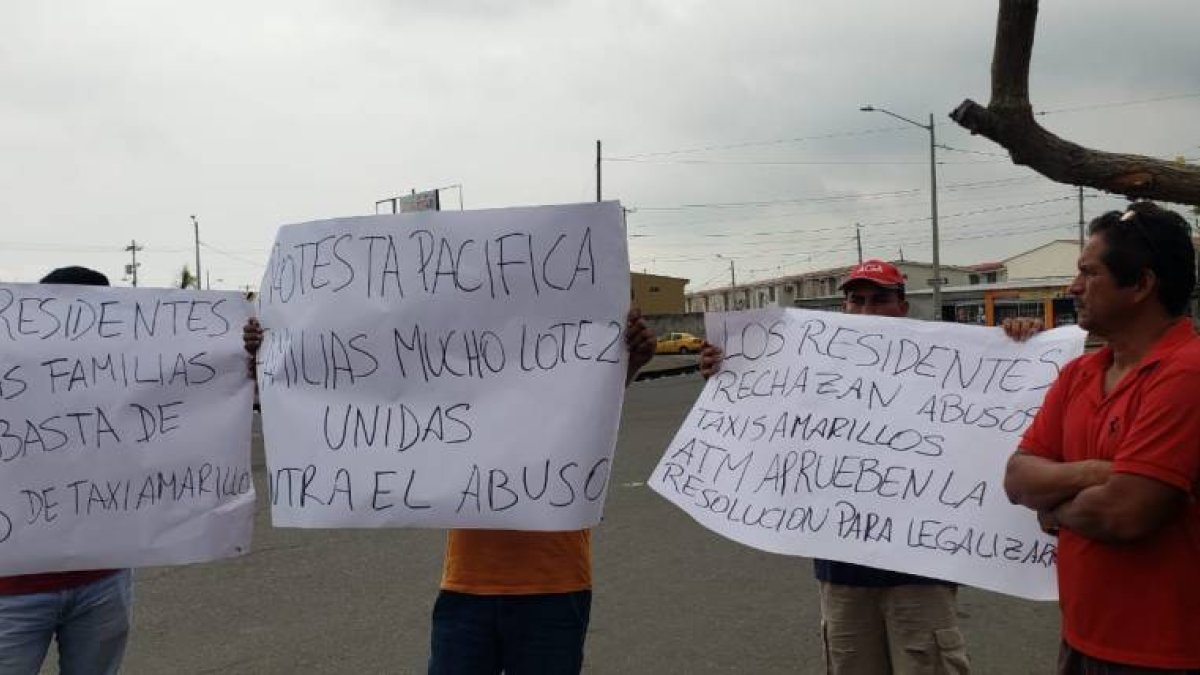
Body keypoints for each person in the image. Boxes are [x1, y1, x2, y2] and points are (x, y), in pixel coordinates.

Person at [700, 260, 1040, 675]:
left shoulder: (942, 362)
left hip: (921, 569)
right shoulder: (816, 363)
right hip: (842, 570)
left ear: (902, 306)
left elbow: (1000, 406)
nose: (866, 311)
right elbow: (768, 416)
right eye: (856, 301)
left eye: (879, 299)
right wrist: (729, 369)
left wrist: (1026, 344)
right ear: (844, 308)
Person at [1003, 202, 1199, 674]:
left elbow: (1124, 513)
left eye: (1089, 274)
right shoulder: (1080, 374)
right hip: (1082, 639)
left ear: (1142, 284)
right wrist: (1095, 472)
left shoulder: (1187, 373)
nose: (1073, 288)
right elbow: (1017, 476)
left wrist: (1053, 508)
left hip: (1166, 653)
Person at [427, 308, 656, 675]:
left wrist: (624, 364)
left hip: (554, 585)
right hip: (467, 586)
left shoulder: (564, 338)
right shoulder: (469, 366)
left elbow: (588, 409)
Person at [0, 267, 133, 675]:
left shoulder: (134, 371)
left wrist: (243, 357)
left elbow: (202, 394)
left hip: (104, 580)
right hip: (11, 591)